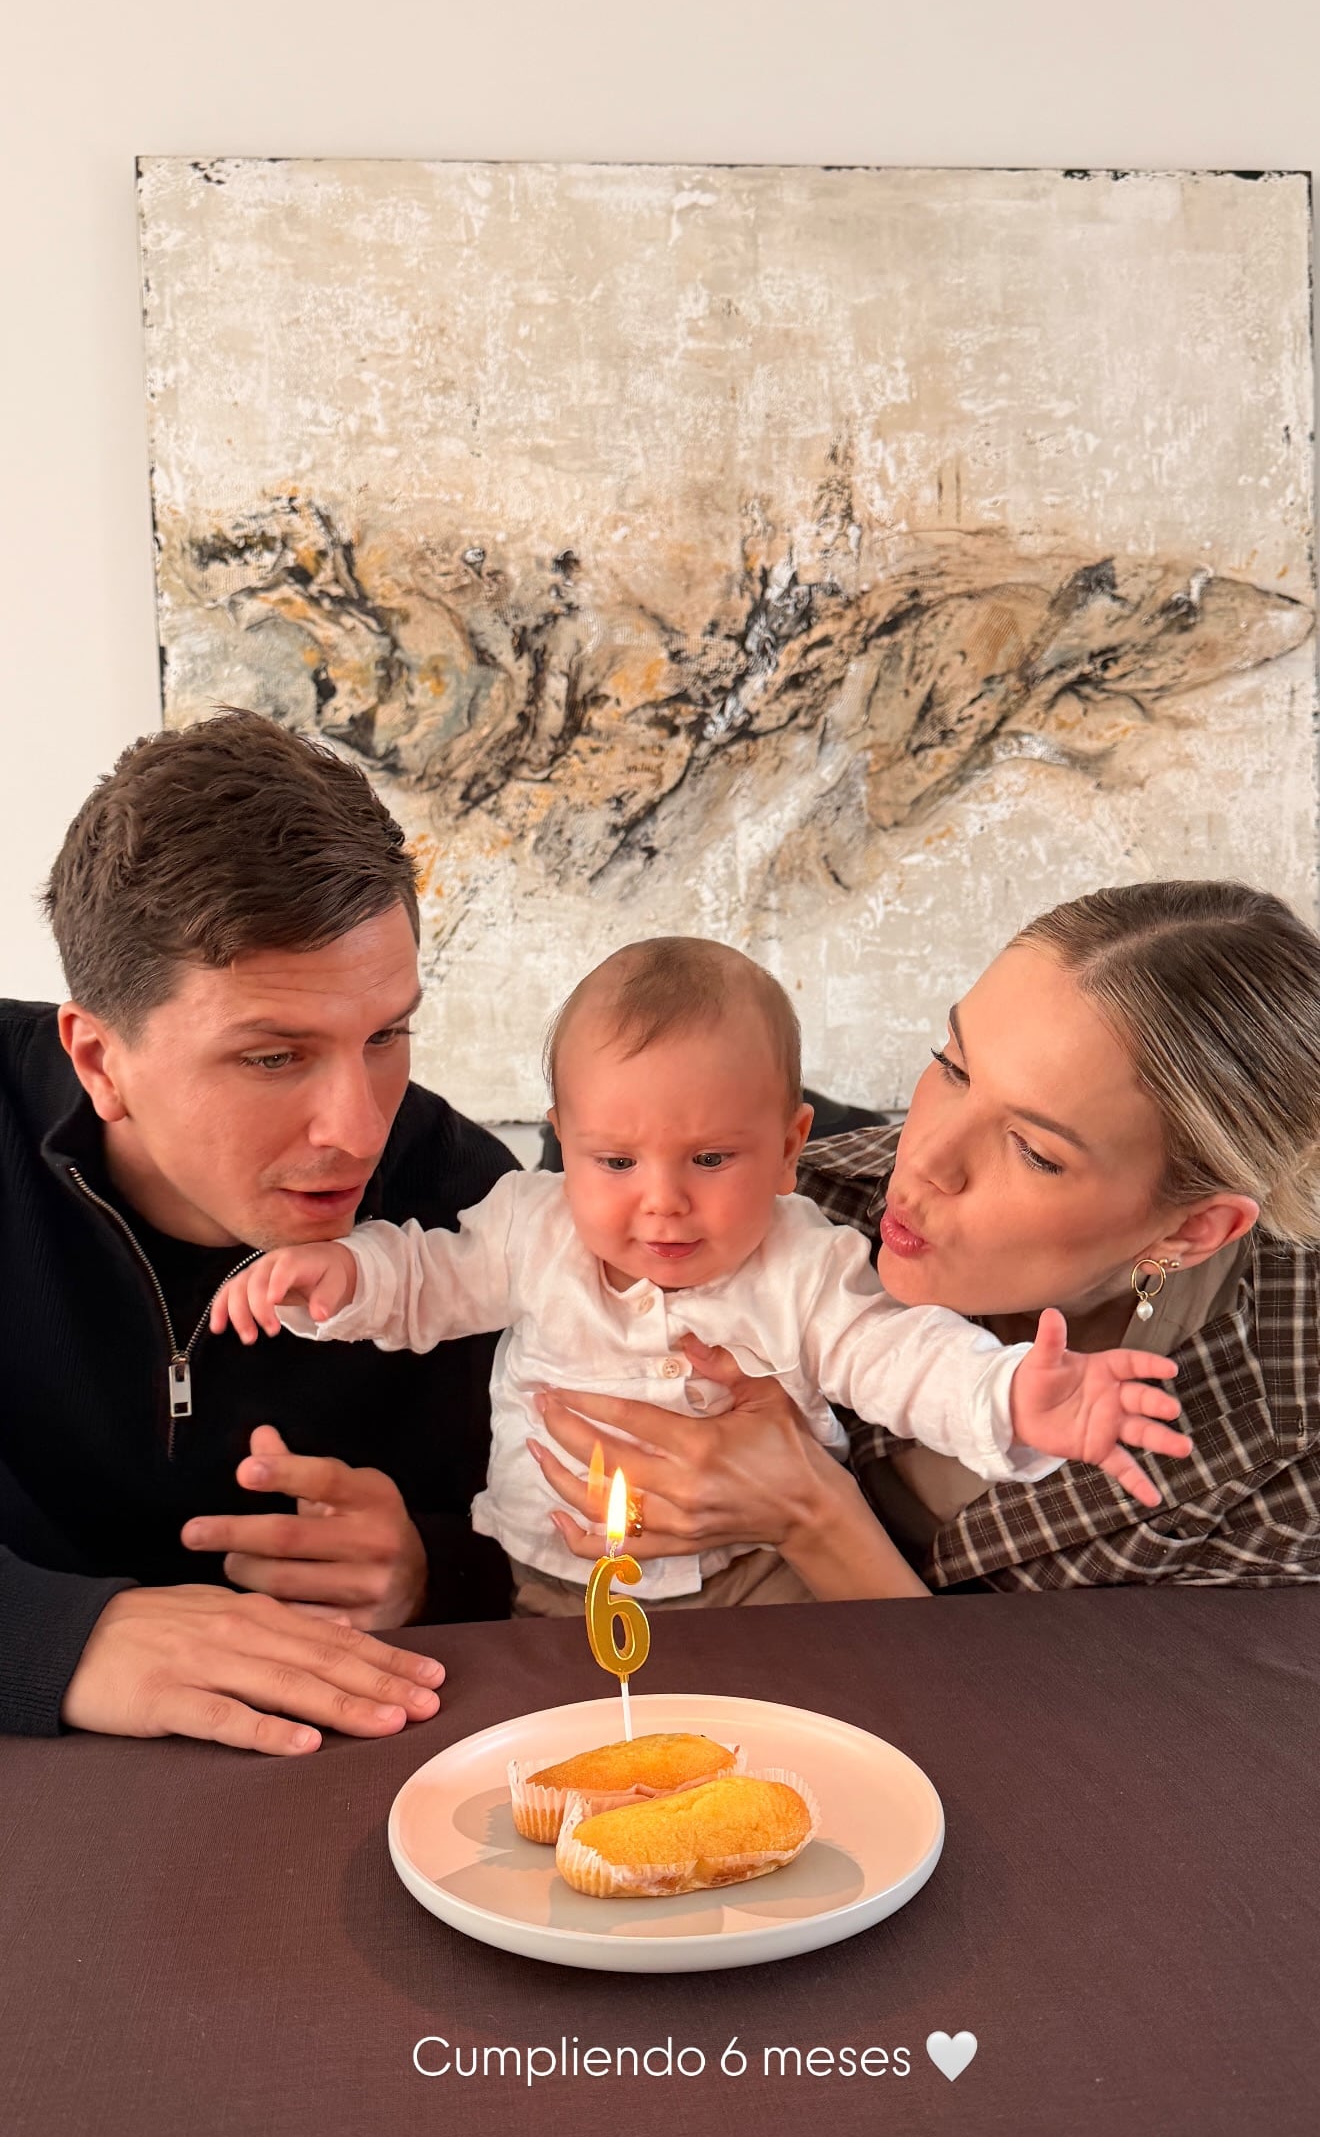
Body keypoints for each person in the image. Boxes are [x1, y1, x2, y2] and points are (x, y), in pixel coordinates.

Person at [213, 937, 1191, 1613]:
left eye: (712, 1161)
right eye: (616, 1162)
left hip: (764, 1577)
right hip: (559, 1576)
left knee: (798, 1731)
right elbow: (431, 1279)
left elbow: (906, 1356)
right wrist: (340, 1274)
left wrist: (1017, 1394)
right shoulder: (530, 1230)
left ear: (787, 1147)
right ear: (564, 1142)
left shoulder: (804, 1263)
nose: (662, 1203)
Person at [529, 882, 1320, 1595]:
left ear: (1190, 1229)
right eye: (952, 1066)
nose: (924, 1162)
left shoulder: (1289, 1441)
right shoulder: (783, 1200)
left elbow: (1111, 1752)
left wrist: (812, 1516)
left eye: (1035, 1151)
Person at [0, 711, 515, 1748]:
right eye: (275, 1057)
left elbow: (561, 1547)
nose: (359, 1128)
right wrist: (55, 1637)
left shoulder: (475, 1214)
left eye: (385, 1034)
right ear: (100, 1060)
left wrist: (431, 1567)